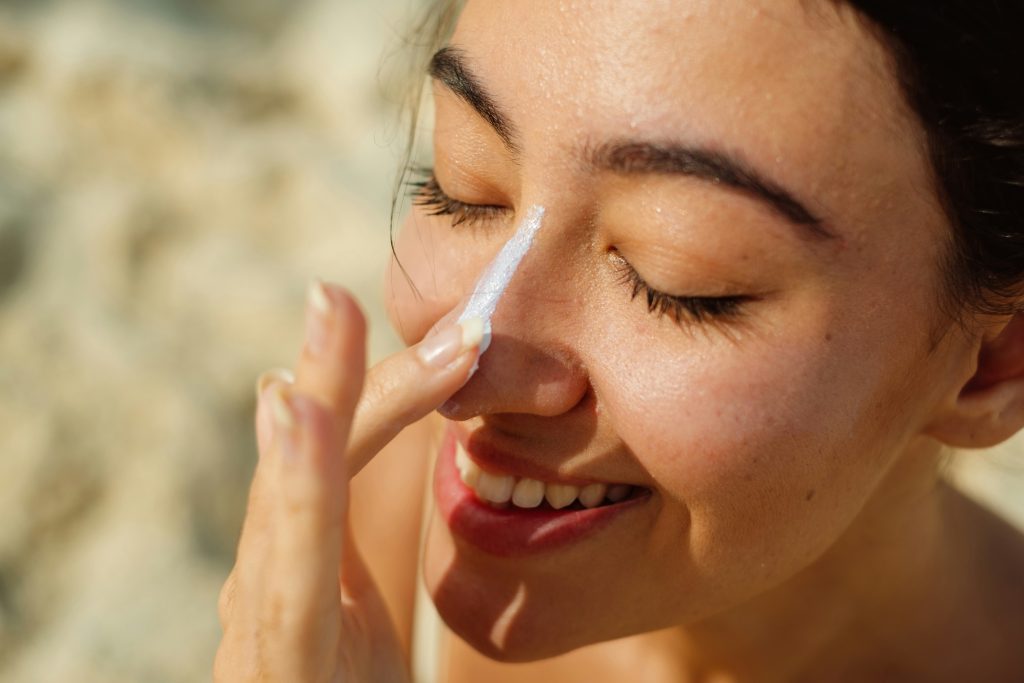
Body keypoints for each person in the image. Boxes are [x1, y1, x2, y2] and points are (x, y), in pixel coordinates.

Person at [213, 0, 1024, 680]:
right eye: (464, 186)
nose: (469, 367)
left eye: (676, 281)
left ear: (994, 362)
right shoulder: (375, 530)